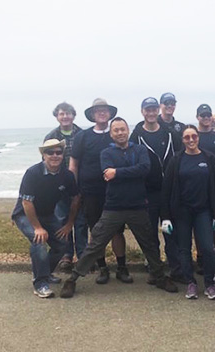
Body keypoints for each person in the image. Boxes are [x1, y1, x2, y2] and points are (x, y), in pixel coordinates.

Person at [60, 117, 178, 298]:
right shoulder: (106, 153)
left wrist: (118, 172)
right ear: (111, 133)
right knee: (96, 243)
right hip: (113, 207)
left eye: (122, 129)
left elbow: (144, 169)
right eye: (116, 130)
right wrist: (126, 171)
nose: (120, 133)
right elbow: (108, 173)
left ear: (128, 130)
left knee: (149, 244)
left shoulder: (139, 149)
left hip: (138, 206)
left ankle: (160, 276)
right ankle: (73, 279)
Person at [70, 98, 131, 285]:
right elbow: (74, 163)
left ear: (110, 113)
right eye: (98, 110)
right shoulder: (83, 136)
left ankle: (122, 267)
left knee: (117, 231)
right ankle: (102, 268)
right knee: (96, 231)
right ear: (92, 114)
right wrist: (74, 189)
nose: (102, 112)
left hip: (115, 191)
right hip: (90, 191)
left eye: (104, 109)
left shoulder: (117, 133)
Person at [161, 125, 215, 300]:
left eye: (193, 136)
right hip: (182, 212)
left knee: (207, 249)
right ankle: (191, 283)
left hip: (203, 211)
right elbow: (166, 190)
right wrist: (165, 217)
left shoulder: (209, 158)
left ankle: (210, 283)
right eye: (187, 137)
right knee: (184, 249)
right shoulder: (176, 160)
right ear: (182, 140)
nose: (191, 140)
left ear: (198, 137)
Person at [12, 139, 80, 298]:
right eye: (50, 152)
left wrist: (69, 224)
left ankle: (45, 272)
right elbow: (27, 202)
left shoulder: (67, 175)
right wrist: (37, 227)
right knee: (39, 240)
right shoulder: (33, 173)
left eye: (59, 152)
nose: (55, 155)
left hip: (48, 214)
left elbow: (76, 199)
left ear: (63, 155)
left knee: (62, 243)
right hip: (25, 214)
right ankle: (40, 283)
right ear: (43, 155)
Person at [129, 97, 185, 283]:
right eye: (148, 109)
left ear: (158, 110)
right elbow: (130, 161)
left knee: (171, 231)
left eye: (154, 109)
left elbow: (180, 158)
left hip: (170, 191)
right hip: (148, 193)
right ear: (142, 111)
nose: (151, 113)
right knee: (150, 232)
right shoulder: (136, 135)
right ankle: (155, 268)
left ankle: (176, 268)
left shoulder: (170, 133)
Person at [44, 102, 87, 273]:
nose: (65, 116)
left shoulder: (82, 134)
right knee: (62, 220)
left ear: (73, 115)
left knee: (81, 221)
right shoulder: (51, 136)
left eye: (68, 113)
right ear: (57, 116)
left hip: (80, 183)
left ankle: (83, 255)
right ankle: (66, 255)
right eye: (62, 114)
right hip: (60, 184)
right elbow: (46, 162)